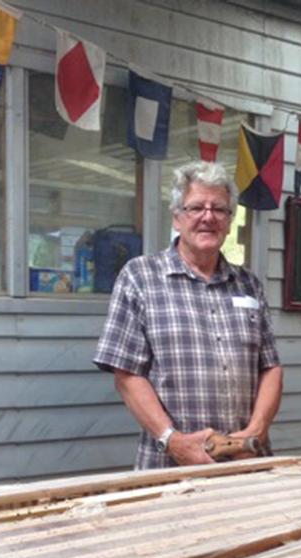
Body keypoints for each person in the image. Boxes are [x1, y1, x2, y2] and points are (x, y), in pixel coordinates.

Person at [93, 161, 282, 468]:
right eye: (196, 208)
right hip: (170, 466)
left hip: (246, 462)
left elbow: (270, 367)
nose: (208, 217)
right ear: (177, 218)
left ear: (230, 220)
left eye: (219, 209)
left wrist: (256, 433)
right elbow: (127, 374)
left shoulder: (249, 285)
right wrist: (172, 440)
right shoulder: (140, 277)